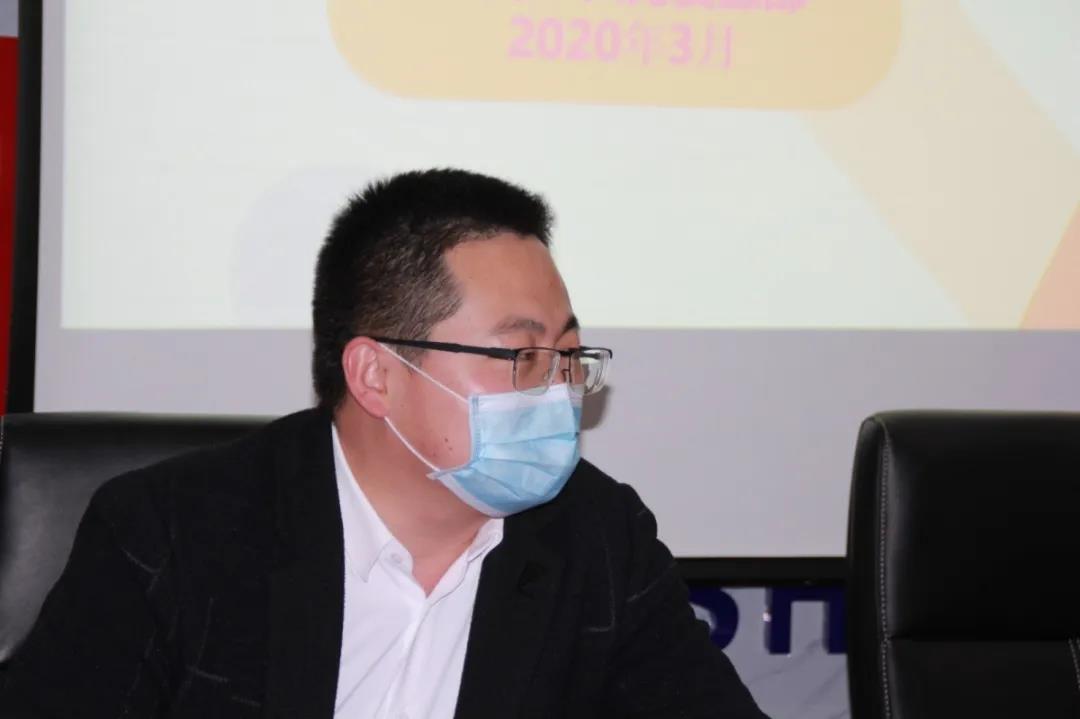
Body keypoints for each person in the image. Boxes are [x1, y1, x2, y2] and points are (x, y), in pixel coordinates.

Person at [0, 169, 767, 718]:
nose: (560, 389)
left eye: (569, 356)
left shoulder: (599, 540)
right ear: (376, 375)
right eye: (521, 355)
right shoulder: (173, 534)